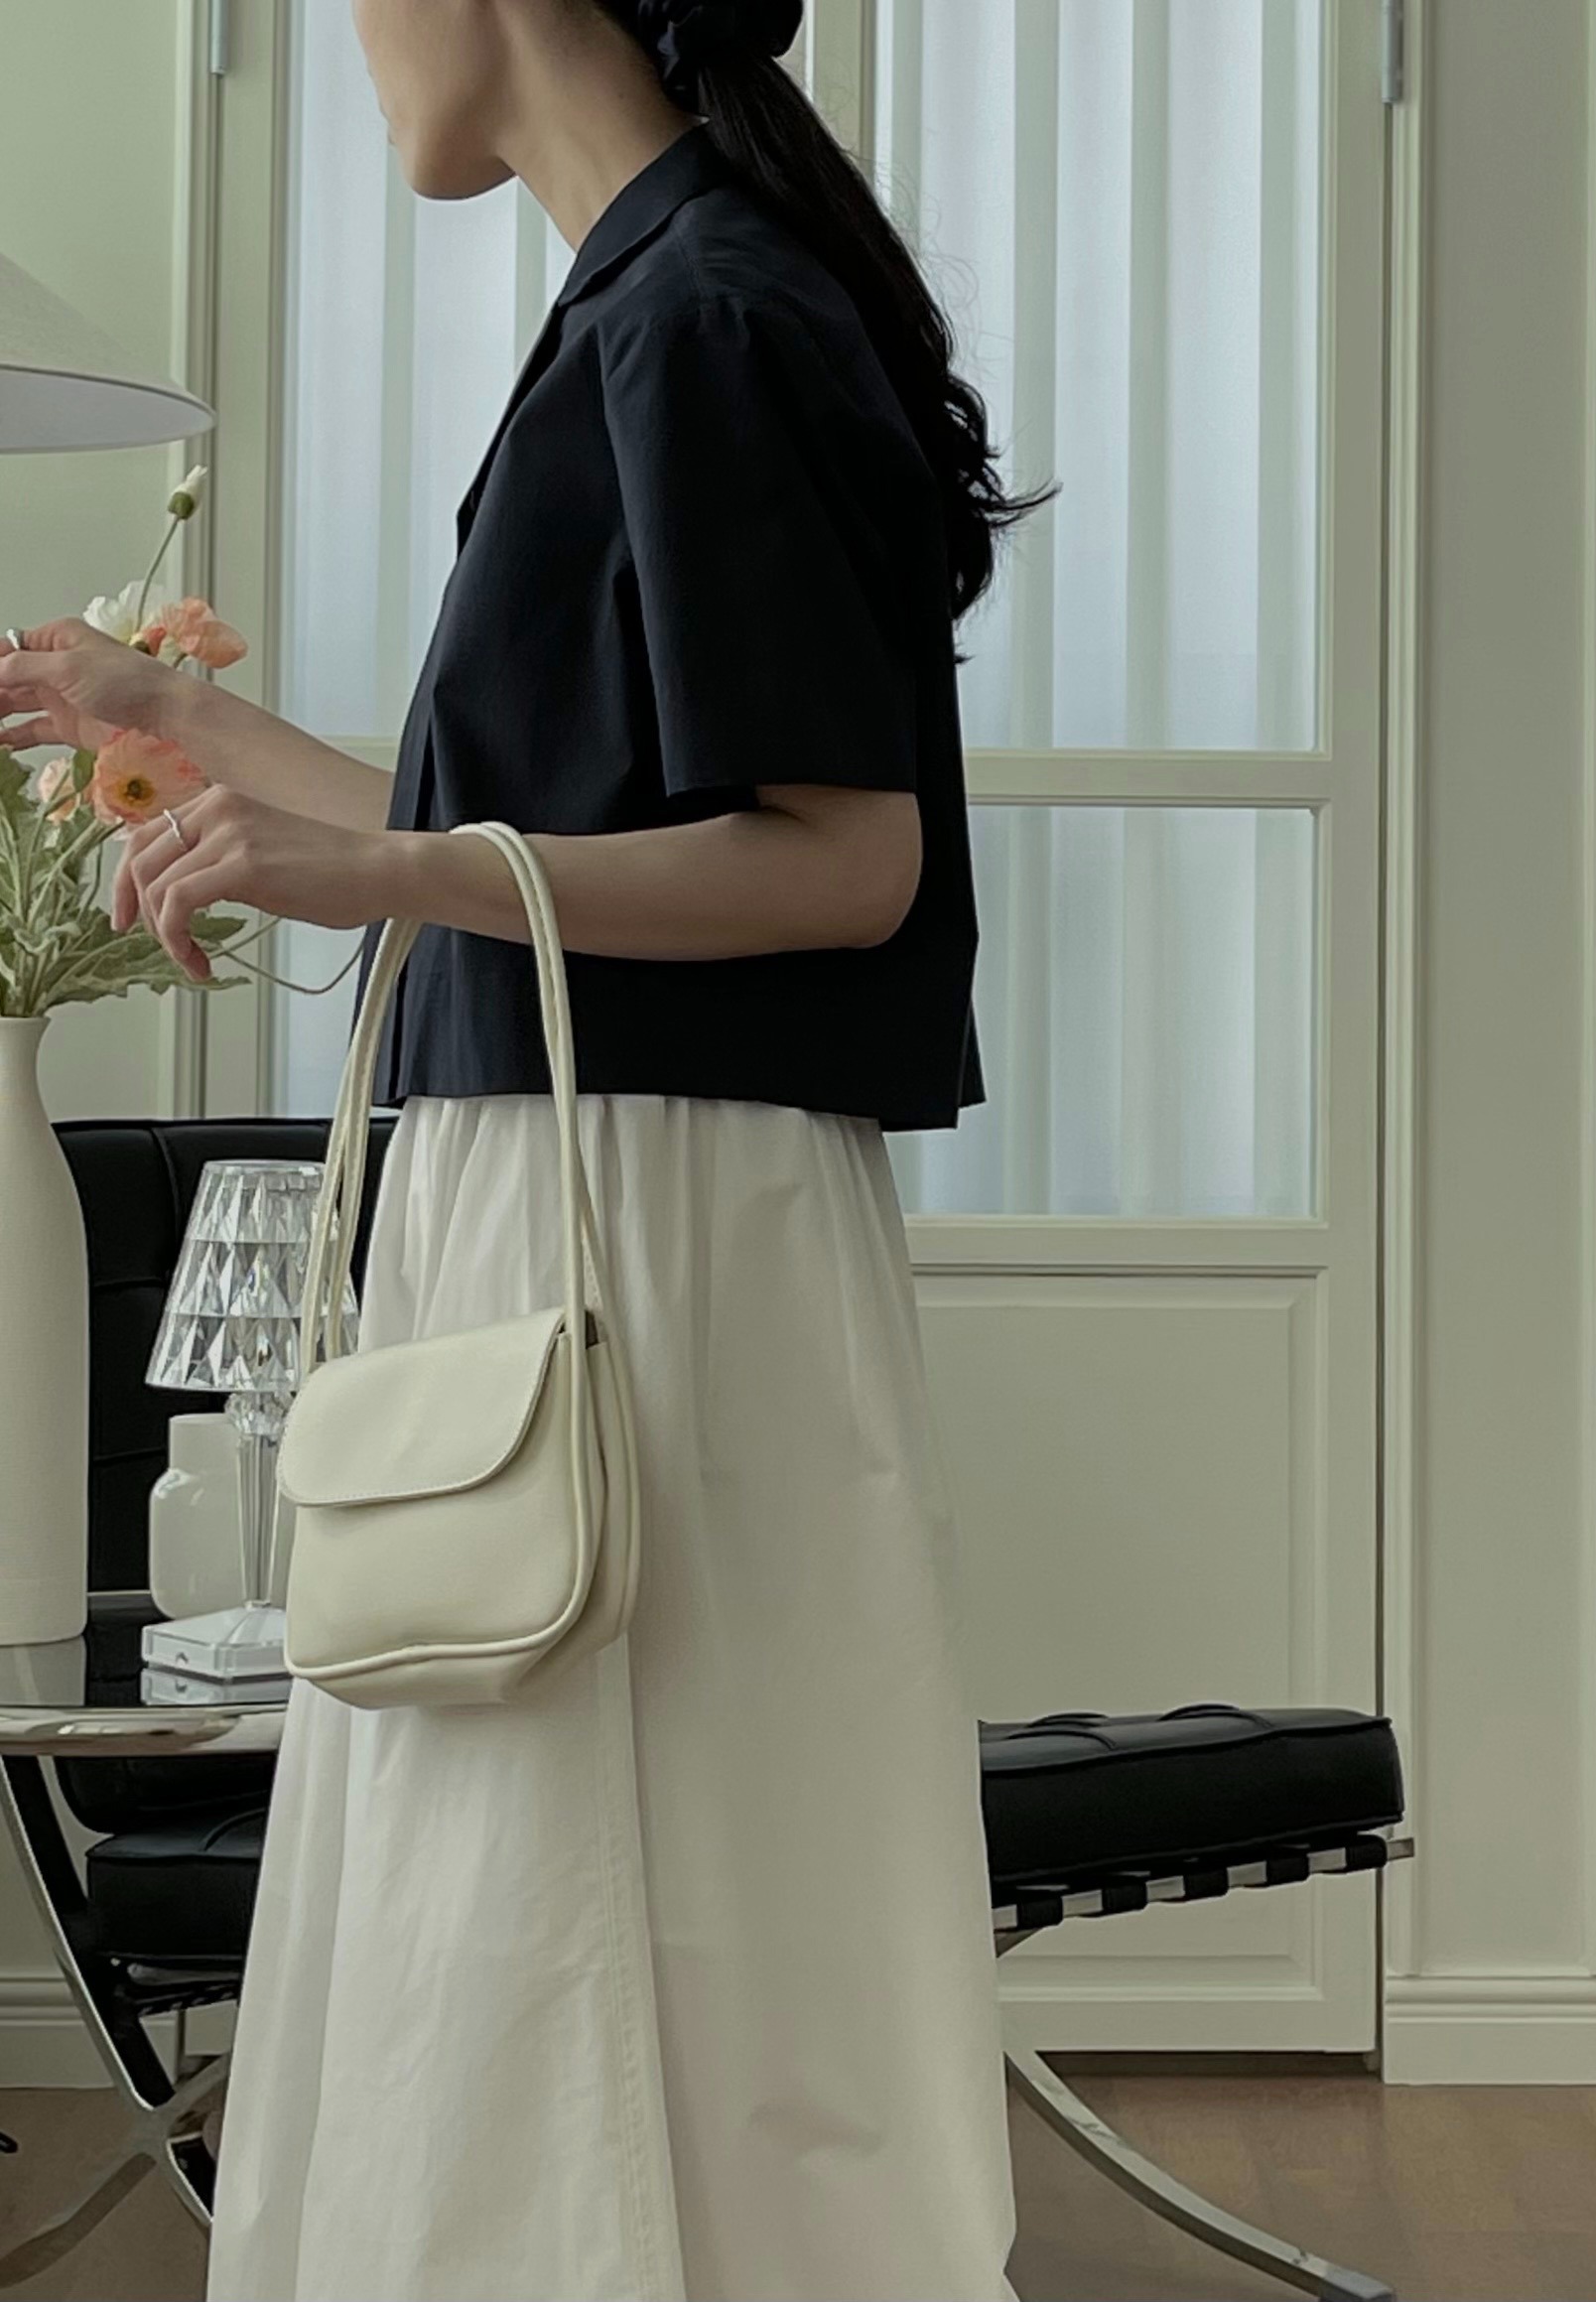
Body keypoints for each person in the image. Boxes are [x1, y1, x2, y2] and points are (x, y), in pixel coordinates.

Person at [0, 2, 1049, 2295]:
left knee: (595, 1897)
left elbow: (844, 860)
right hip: (585, 1201)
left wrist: (380, 873)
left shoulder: (705, 315)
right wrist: (178, 720)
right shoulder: (662, 298)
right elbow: (533, 825)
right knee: (540, 1892)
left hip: (647, 1220)